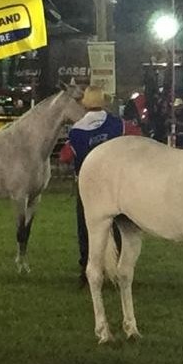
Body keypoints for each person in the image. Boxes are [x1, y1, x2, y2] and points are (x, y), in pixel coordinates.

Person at [62, 87, 124, 287]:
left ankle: (87, 269)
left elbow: (65, 156)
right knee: (118, 226)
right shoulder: (117, 124)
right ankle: (119, 266)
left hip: (88, 185)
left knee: (87, 228)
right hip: (115, 184)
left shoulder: (78, 130)